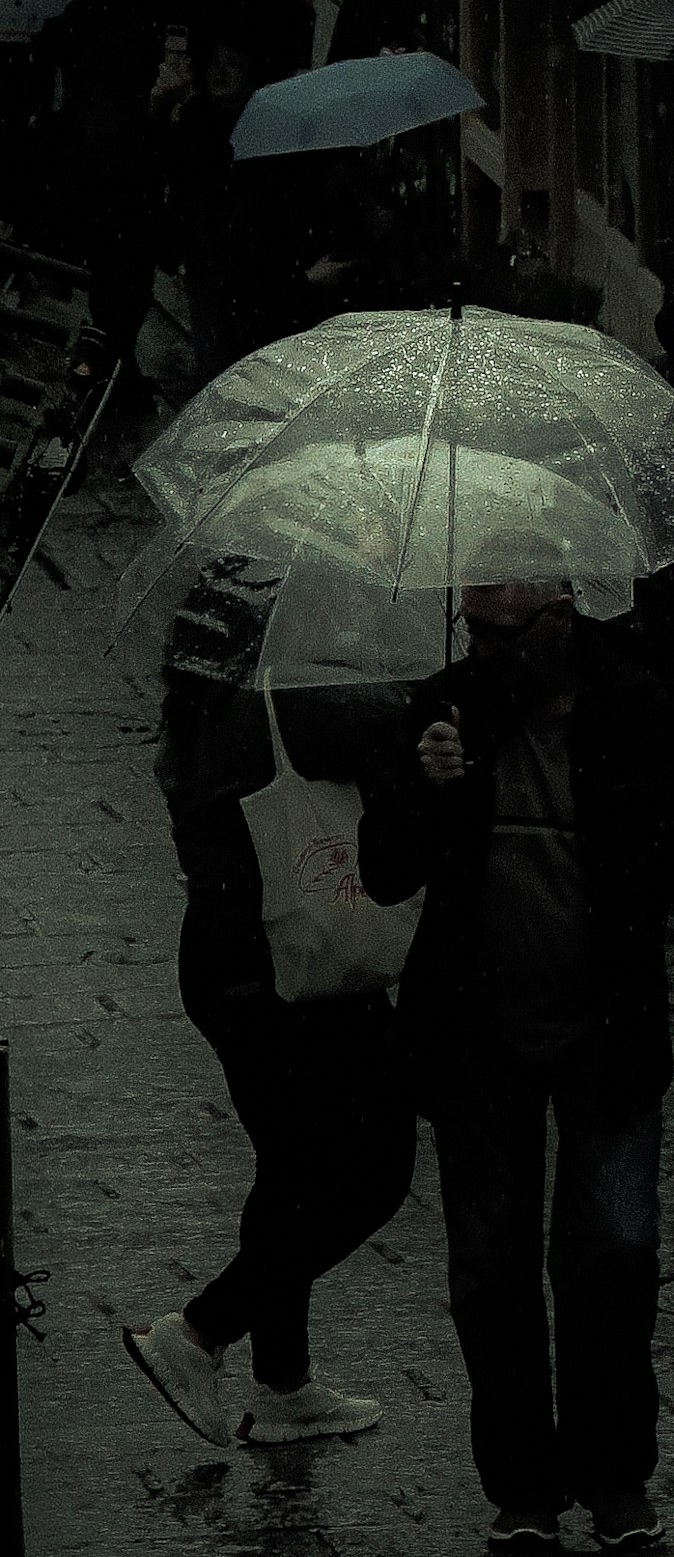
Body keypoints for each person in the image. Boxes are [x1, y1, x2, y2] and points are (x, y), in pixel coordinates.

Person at [359, 576, 674, 1555]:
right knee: (491, 1265)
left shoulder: (641, 706)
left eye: (507, 629)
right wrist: (423, 787)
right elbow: (384, 871)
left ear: (564, 612)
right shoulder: (442, 710)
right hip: (476, 1034)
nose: (488, 648)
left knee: (614, 1252)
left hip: (605, 1028)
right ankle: (523, 1486)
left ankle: (614, 1474)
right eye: (473, 626)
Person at [123, 616, 415, 1452]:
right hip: (301, 968)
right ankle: (200, 1333)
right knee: (374, 1175)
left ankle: (284, 1386)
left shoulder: (203, 709)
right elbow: (411, 716)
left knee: (292, 1175)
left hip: (232, 968)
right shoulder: (296, 698)